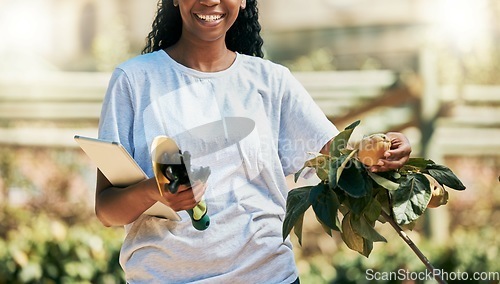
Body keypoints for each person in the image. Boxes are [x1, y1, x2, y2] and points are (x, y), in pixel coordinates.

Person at [95, 0, 412, 283]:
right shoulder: (133, 81)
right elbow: (107, 210)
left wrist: (387, 147)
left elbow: (340, 160)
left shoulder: (272, 82)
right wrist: (156, 191)